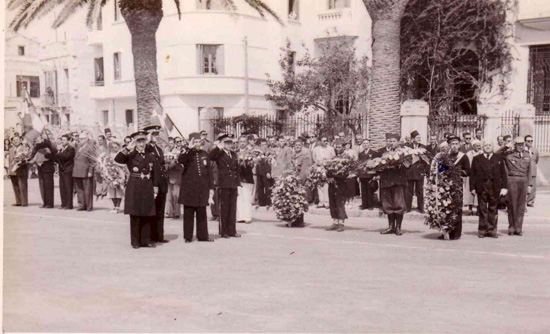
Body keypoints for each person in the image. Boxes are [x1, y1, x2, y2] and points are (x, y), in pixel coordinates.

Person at [115, 130, 160, 249]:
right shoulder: (131, 154)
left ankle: (145, 240)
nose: (141, 144)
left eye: (143, 141)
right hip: (135, 185)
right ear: (135, 143)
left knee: (147, 212)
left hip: (147, 185)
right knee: (135, 214)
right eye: (139, 141)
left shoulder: (150, 155)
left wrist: (155, 187)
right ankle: (135, 241)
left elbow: (156, 173)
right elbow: (118, 160)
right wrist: (128, 148)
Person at [178, 132, 215, 243]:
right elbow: (181, 160)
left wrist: (211, 186)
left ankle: (202, 236)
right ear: (191, 142)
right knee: (188, 213)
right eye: (195, 142)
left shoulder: (204, 153)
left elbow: (209, 171)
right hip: (189, 188)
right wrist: (188, 149)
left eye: (199, 141)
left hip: (202, 187)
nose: (198, 144)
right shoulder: (187, 152)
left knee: (202, 212)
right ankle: (188, 236)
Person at [470, 141, 507, 238]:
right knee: (482, 209)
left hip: (494, 187)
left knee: (493, 208)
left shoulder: (498, 158)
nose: (487, 147)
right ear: (482, 147)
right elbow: (472, 175)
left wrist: (504, 187)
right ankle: (482, 230)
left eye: (489, 145)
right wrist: (472, 188)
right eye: (486, 145)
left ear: (493, 147)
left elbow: (503, 174)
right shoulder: (477, 159)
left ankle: (492, 230)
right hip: (481, 187)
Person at [209, 134, 241, 238]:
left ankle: (232, 230)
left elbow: (237, 170)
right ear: (223, 144)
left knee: (233, 208)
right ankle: (224, 231)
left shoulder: (234, 154)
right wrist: (218, 147)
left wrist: (238, 183)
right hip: (223, 183)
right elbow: (211, 156)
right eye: (227, 143)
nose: (229, 145)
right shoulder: (219, 153)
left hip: (233, 184)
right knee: (224, 208)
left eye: (230, 143)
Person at [440, 135, 471, 240]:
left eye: (456, 144)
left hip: (457, 186)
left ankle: (456, 233)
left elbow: (468, 171)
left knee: (456, 209)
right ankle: (445, 231)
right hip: (445, 185)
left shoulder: (463, 157)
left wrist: (457, 171)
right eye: (452, 144)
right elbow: (441, 170)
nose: (454, 146)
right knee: (445, 208)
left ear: (459, 145)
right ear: (449, 145)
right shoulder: (445, 156)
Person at [378, 133, 408, 236]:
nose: (390, 143)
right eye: (389, 141)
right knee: (388, 204)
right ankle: (391, 226)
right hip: (386, 181)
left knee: (398, 204)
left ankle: (398, 227)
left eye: (393, 141)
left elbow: (408, 165)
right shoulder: (383, 152)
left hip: (398, 181)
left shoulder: (404, 152)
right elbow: (378, 165)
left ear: (399, 142)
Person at [144, 124, 169, 244]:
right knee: (150, 210)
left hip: (161, 182)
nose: (156, 136)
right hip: (151, 183)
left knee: (160, 210)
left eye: (157, 134)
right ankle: (149, 236)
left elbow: (162, 164)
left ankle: (159, 235)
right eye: (154, 134)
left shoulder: (159, 149)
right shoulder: (146, 148)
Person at [504, 137, 533, 236]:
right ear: (514, 145)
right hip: (512, 180)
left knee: (521, 206)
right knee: (512, 204)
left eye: (522, 144)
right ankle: (511, 227)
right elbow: (498, 154)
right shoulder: (509, 155)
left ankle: (518, 228)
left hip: (524, 181)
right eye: (518, 144)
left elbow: (530, 171)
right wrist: (507, 146)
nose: (521, 146)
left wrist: (530, 184)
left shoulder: (527, 155)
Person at [325, 139, 350, 232]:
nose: (337, 149)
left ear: (343, 147)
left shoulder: (347, 158)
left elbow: (347, 171)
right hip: (332, 182)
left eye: (339, 147)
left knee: (340, 202)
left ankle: (341, 223)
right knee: (332, 202)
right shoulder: (333, 157)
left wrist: (338, 174)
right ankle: (335, 221)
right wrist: (329, 176)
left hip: (341, 183)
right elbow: (328, 169)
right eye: (336, 147)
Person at [29, 133, 58, 208]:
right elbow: (33, 154)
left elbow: (54, 154)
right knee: (42, 186)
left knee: (48, 186)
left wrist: (46, 146)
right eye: (40, 138)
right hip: (40, 167)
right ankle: (45, 202)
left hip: (48, 168)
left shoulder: (51, 145)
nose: (40, 139)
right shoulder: (38, 146)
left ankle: (49, 203)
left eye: (42, 138)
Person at [289, 138, 312, 227]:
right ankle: (294, 219)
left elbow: (304, 170)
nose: (297, 147)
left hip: (301, 182)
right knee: (293, 201)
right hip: (293, 181)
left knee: (300, 201)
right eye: (295, 146)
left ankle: (300, 221)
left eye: (299, 145)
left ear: (301, 146)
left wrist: (299, 180)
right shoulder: (293, 156)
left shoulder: (305, 156)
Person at [404, 130, 428, 213]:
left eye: (420, 137)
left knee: (420, 191)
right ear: (413, 139)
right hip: (409, 172)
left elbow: (427, 160)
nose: (419, 139)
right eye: (417, 137)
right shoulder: (407, 147)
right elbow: (404, 159)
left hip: (419, 172)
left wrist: (422, 167)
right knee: (409, 191)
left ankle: (421, 208)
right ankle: (408, 208)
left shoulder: (423, 147)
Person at [73, 131, 95, 211]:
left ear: (86, 139)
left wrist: (90, 171)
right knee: (79, 189)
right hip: (77, 170)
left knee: (87, 190)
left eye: (82, 139)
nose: (80, 140)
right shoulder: (78, 146)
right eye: (80, 139)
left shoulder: (90, 147)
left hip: (85, 171)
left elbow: (92, 161)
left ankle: (89, 206)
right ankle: (81, 205)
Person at [312, 136, 336, 208]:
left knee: (326, 185)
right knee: (319, 184)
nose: (325, 142)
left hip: (327, 168)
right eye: (324, 141)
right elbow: (314, 158)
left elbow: (333, 158)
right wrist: (318, 163)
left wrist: (328, 163)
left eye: (326, 140)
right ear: (320, 142)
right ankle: (321, 201)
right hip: (319, 168)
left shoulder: (331, 149)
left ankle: (326, 202)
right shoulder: (316, 149)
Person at [236, 135, 254, 224]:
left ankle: (247, 216)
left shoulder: (250, 152)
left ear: (247, 142)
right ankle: (240, 216)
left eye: (244, 141)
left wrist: (248, 161)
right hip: (238, 178)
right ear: (238, 143)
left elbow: (252, 164)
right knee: (239, 197)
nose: (242, 143)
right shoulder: (235, 152)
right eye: (241, 142)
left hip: (247, 178)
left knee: (247, 198)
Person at [8, 136, 30, 207]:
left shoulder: (24, 148)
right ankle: (18, 201)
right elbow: (10, 161)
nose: (15, 141)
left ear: (21, 140)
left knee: (22, 186)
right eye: (14, 140)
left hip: (21, 169)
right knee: (15, 186)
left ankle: (24, 202)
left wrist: (22, 161)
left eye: (17, 140)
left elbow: (27, 158)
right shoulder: (11, 149)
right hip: (13, 170)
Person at [106, 139, 126, 213]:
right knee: (112, 190)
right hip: (111, 173)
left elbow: (125, 164)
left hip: (119, 173)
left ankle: (118, 206)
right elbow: (107, 163)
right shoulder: (110, 155)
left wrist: (116, 164)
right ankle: (114, 206)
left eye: (116, 147)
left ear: (119, 147)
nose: (114, 148)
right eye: (113, 147)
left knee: (119, 190)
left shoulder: (121, 154)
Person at [56, 134, 76, 209]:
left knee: (68, 188)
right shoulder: (61, 149)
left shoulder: (71, 149)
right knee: (62, 188)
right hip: (61, 170)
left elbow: (66, 157)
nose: (63, 141)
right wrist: (58, 153)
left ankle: (69, 204)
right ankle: (63, 203)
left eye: (64, 140)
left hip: (68, 170)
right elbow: (57, 159)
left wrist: (59, 153)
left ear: (68, 141)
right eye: (62, 140)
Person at [358, 138, 378, 210]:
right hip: (363, 174)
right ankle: (364, 205)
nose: (365, 145)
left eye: (366, 143)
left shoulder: (373, 153)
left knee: (370, 190)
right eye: (364, 143)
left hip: (370, 174)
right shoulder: (361, 154)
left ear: (369, 144)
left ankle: (370, 205)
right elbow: (359, 164)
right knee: (363, 190)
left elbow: (376, 163)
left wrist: (375, 175)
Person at [464, 140, 483, 214]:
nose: (478, 146)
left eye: (479, 145)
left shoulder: (482, 153)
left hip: (479, 175)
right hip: (471, 174)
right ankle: (470, 208)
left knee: (479, 191)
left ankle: (478, 208)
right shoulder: (469, 154)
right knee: (470, 191)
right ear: (473, 146)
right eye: (476, 145)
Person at [165, 150, 183, 219]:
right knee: (168, 197)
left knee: (176, 196)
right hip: (168, 181)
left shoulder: (178, 163)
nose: (169, 157)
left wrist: (175, 162)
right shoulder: (166, 163)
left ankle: (177, 213)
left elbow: (180, 169)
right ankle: (169, 212)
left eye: (170, 156)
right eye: (168, 156)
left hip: (176, 181)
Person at [255, 139, 273, 208]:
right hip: (259, 171)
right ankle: (261, 201)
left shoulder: (269, 153)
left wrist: (268, 172)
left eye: (265, 145)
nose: (264, 146)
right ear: (260, 146)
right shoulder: (258, 152)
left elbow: (270, 163)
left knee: (267, 186)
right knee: (260, 186)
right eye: (262, 145)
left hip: (266, 172)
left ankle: (268, 201)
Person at [525, 135, 539, 207]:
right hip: (525, 170)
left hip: (533, 170)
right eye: (528, 141)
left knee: (533, 186)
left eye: (531, 141)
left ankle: (530, 201)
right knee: (525, 185)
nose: (530, 142)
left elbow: (536, 160)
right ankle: (524, 201)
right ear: (525, 142)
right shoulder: (523, 150)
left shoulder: (535, 150)